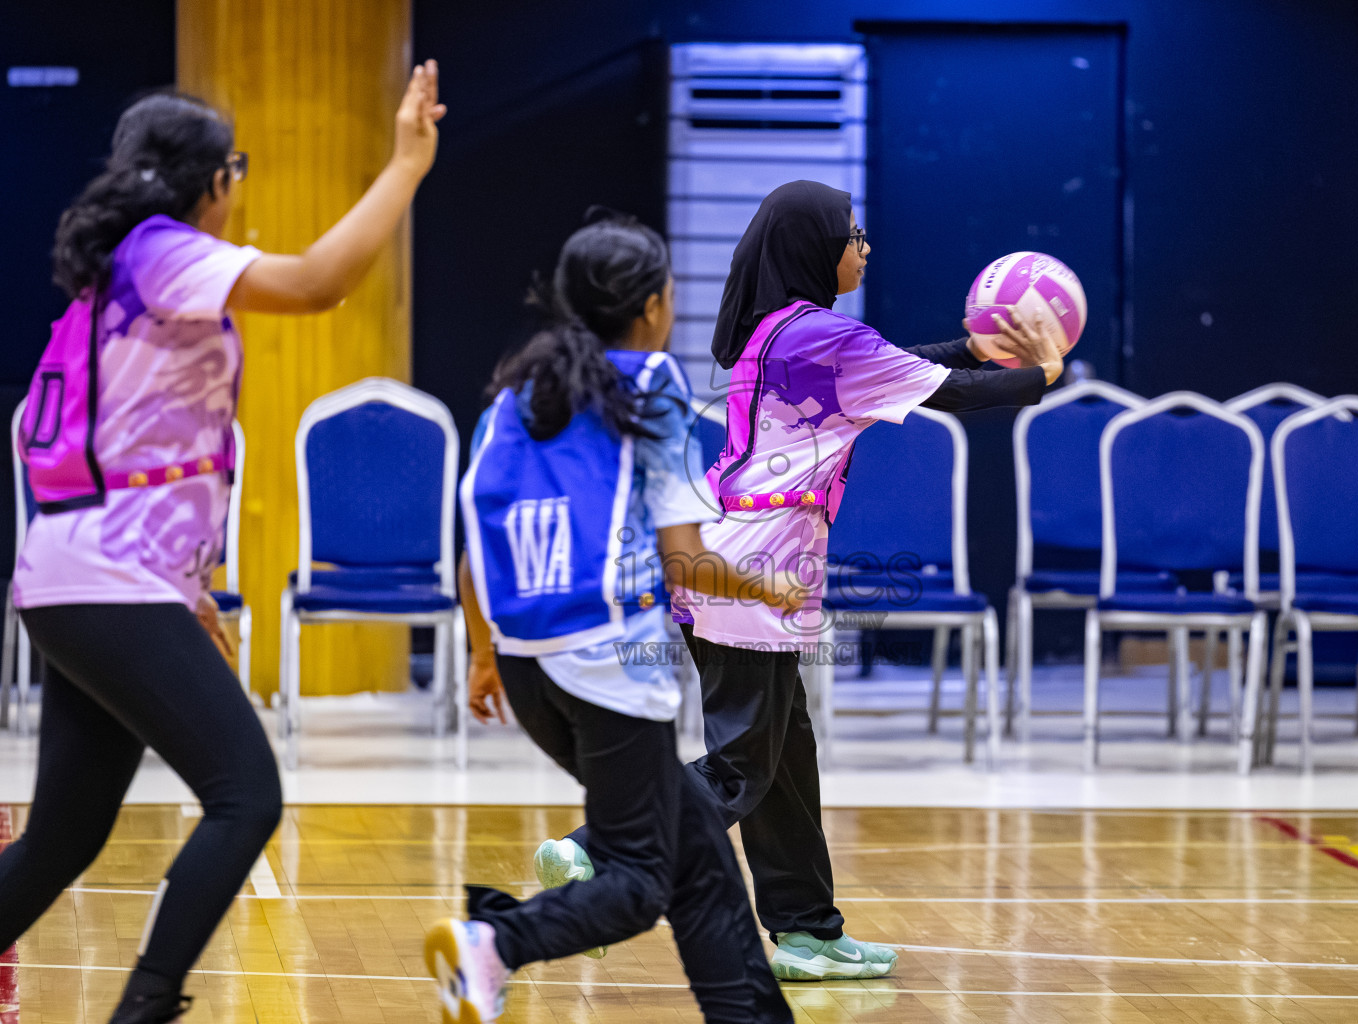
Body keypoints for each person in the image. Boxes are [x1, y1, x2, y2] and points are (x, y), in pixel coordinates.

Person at [0, 64, 446, 1024]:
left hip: (78, 577)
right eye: (234, 169)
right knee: (246, 795)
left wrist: (184, 589)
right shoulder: (162, 252)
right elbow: (319, 283)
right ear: (211, 179)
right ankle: (145, 1006)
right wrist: (405, 166)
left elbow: (117, 453)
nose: (236, 187)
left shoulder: (113, 277)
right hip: (108, 583)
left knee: (63, 838)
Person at [538, 179, 1064, 981]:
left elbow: (909, 368)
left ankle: (808, 931)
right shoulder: (823, 337)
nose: (864, 247)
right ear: (816, 247)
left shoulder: (781, 330)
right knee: (741, 768)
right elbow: (952, 395)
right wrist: (1044, 373)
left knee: (785, 763)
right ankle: (599, 850)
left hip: (729, 559)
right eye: (853, 235)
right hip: (755, 571)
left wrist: (972, 346)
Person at [431, 210, 794, 1024]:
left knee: (699, 857)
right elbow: (686, 563)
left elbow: (474, 553)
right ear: (654, 305)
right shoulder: (653, 386)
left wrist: (483, 656)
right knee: (639, 879)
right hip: (605, 668)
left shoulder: (516, 395)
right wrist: (772, 589)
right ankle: (495, 941)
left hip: (527, 665)